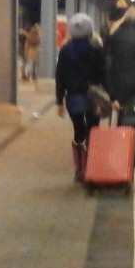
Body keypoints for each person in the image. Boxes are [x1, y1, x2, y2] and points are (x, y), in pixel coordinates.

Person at [55, 13, 106, 182]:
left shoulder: (65, 50)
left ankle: (79, 170)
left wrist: (59, 100)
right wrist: (110, 95)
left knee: (78, 130)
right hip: (93, 96)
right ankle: (92, 167)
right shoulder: (97, 49)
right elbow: (103, 74)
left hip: (73, 97)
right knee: (93, 131)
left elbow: (60, 76)